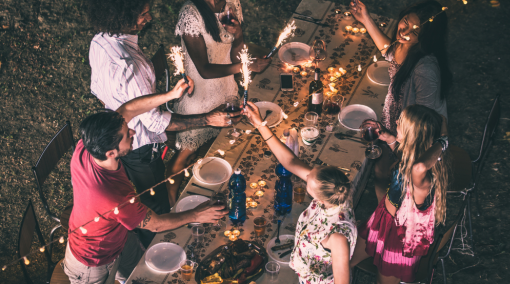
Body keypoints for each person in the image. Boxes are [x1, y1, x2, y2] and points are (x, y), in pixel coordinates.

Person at [86, 0, 235, 232]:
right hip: (140, 150)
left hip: (116, 133)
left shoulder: (99, 41)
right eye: (143, 14)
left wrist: (169, 95)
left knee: (150, 195)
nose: (149, 19)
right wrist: (208, 119)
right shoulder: (131, 66)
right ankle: (158, 246)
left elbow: (115, 101)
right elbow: (154, 123)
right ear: (123, 16)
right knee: (155, 201)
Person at [64, 80, 229, 284]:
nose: (133, 132)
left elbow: (129, 108)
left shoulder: (86, 147)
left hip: (122, 238)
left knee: (139, 278)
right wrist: (197, 214)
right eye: (127, 135)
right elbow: (157, 225)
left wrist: (171, 95)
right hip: (93, 263)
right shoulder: (113, 197)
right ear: (111, 153)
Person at [350, 0, 452, 203]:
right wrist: (365, 18)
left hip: (414, 136)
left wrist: (399, 141)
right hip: (396, 124)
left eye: (414, 31)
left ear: (425, 37)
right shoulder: (406, 46)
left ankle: (396, 217)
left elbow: (425, 119)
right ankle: (384, 211)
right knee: (380, 170)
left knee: (394, 177)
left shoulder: (426, 69)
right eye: (405, 21)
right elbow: (389, 50)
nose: (403, 31)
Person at [167, 0, 271, 198]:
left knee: (241, 145)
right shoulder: (191, 14)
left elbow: (234, 56)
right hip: (199, 99)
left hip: (228, 93)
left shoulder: (232, 4)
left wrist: (238, 34)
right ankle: (170, 202)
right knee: (183, 157)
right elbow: (204, 70)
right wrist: (245, 67)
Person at [243, 103, 356, 284]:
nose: (306, 174)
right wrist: (259, 124)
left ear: (318, 197)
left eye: (308, 178)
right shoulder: (335, 190)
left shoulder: (337, 237)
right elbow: (290, 161)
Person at [349, 105, 451, 284]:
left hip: (399, 240)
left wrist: (443, 141)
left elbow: (417, 167)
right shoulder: (412, 157)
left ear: (414, 136)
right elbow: (440, 120)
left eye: (401, 122)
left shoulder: (422, 179)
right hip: (382, 222)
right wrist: (388, 137)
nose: (396, 121)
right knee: (344, 260)